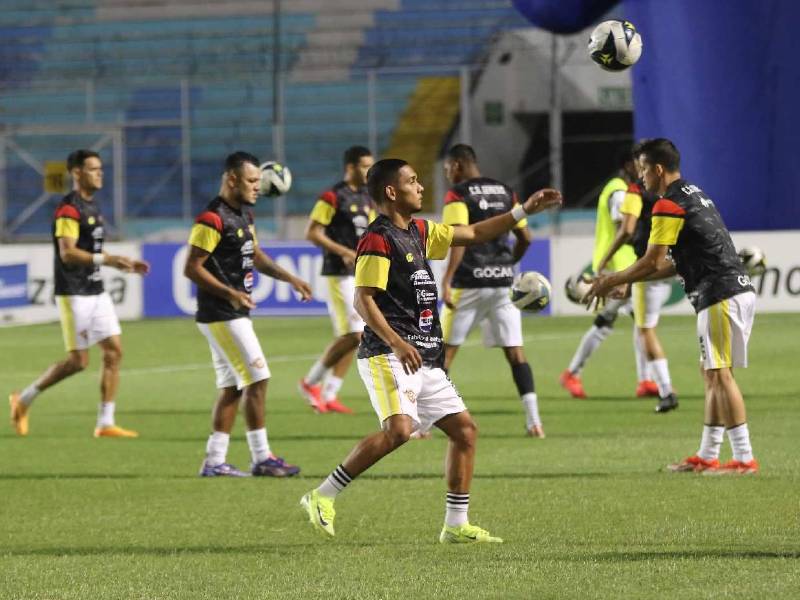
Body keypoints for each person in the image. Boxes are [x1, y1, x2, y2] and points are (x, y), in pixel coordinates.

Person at [299, 158, 562, 542]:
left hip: (423, 355)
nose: (421, 187)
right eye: (412, 181)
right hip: (387, 354)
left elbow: (471, 233)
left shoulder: (419, 230)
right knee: (399, 431)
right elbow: (362, 300)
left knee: (465, 432)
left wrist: (523, 211)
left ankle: (456, 525)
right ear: (392, 191)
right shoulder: (377, 238)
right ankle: (322, 495)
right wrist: (397, 342)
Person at [587, 138, 758, 474]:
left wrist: (609, 279)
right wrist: (627, 281)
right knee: (712, 372)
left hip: (719, 293)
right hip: (730, 290)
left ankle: (743, 458)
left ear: (658, 169)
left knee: (720, 375)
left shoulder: (668, 204)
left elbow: (651, 261)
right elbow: (674, 263)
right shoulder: (696, 194)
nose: (641, 179)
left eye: (643, 171)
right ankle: (707, 455)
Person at [185, 151, 313, 477]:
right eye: (253, 181)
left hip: (232, 312)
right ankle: (261, 457)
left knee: (232, 387)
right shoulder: (211, 219)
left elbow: (254, 255)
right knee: (258, 379)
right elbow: (192, 267)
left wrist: (291, 277)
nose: (259, 187)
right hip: (221, 312)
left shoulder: (244, 216)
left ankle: (214, 461)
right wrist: (230, 293)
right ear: (232, 179)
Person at [9, 150, 149, 438]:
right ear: (76, 173)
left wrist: (120, 261)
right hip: (73, 292)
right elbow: (68, 253)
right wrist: (107, 261)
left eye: (100, 168)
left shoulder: (93, 207)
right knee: (78, 362)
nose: (100, 173)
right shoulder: (68, 209)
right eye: (93, 169)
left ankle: (105, 422)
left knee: (113, 352)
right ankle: (22, 400)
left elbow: (93, 251)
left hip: (96, 289)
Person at [439, 144, 544, 438]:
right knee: (516, 353)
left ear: (458, 164)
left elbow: (458, 238)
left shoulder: (457, 194)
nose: (447, 174)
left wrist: (446, 280)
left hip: (468, 284)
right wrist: (508, 263)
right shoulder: (505, 191)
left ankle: (422, 425)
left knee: (443, 356)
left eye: (447, 168)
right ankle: (534, 421)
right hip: (502, 284)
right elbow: (525, 236)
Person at [559, 149, 658, 400]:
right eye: (639, 164)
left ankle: (643, 379)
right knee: (637, 321)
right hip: (619, 266)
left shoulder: (624, 189)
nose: (643, 168)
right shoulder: (619, 191)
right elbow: (623, 227)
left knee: (616, 321)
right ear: (628, 165)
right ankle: (644, 379)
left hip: (622, 265)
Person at [594, 145, 678, 413]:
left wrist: (606, 259)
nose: (640, 173)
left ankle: (666, 390)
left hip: (650, 266)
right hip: (675, 264)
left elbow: (627, 229)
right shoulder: (678, 193)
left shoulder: (634, 191)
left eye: (643, 167)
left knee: (645, 330)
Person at [298, 145, 375, 414]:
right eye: (365, 165)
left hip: (362, 273)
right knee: (355, 334)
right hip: (338, 274)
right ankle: (310, 382)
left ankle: (329, 394)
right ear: (351, 167)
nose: (369, 170)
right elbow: (312, 233)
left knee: (355, 336)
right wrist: (343, 251)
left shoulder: (368, 197)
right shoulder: (332, 196)